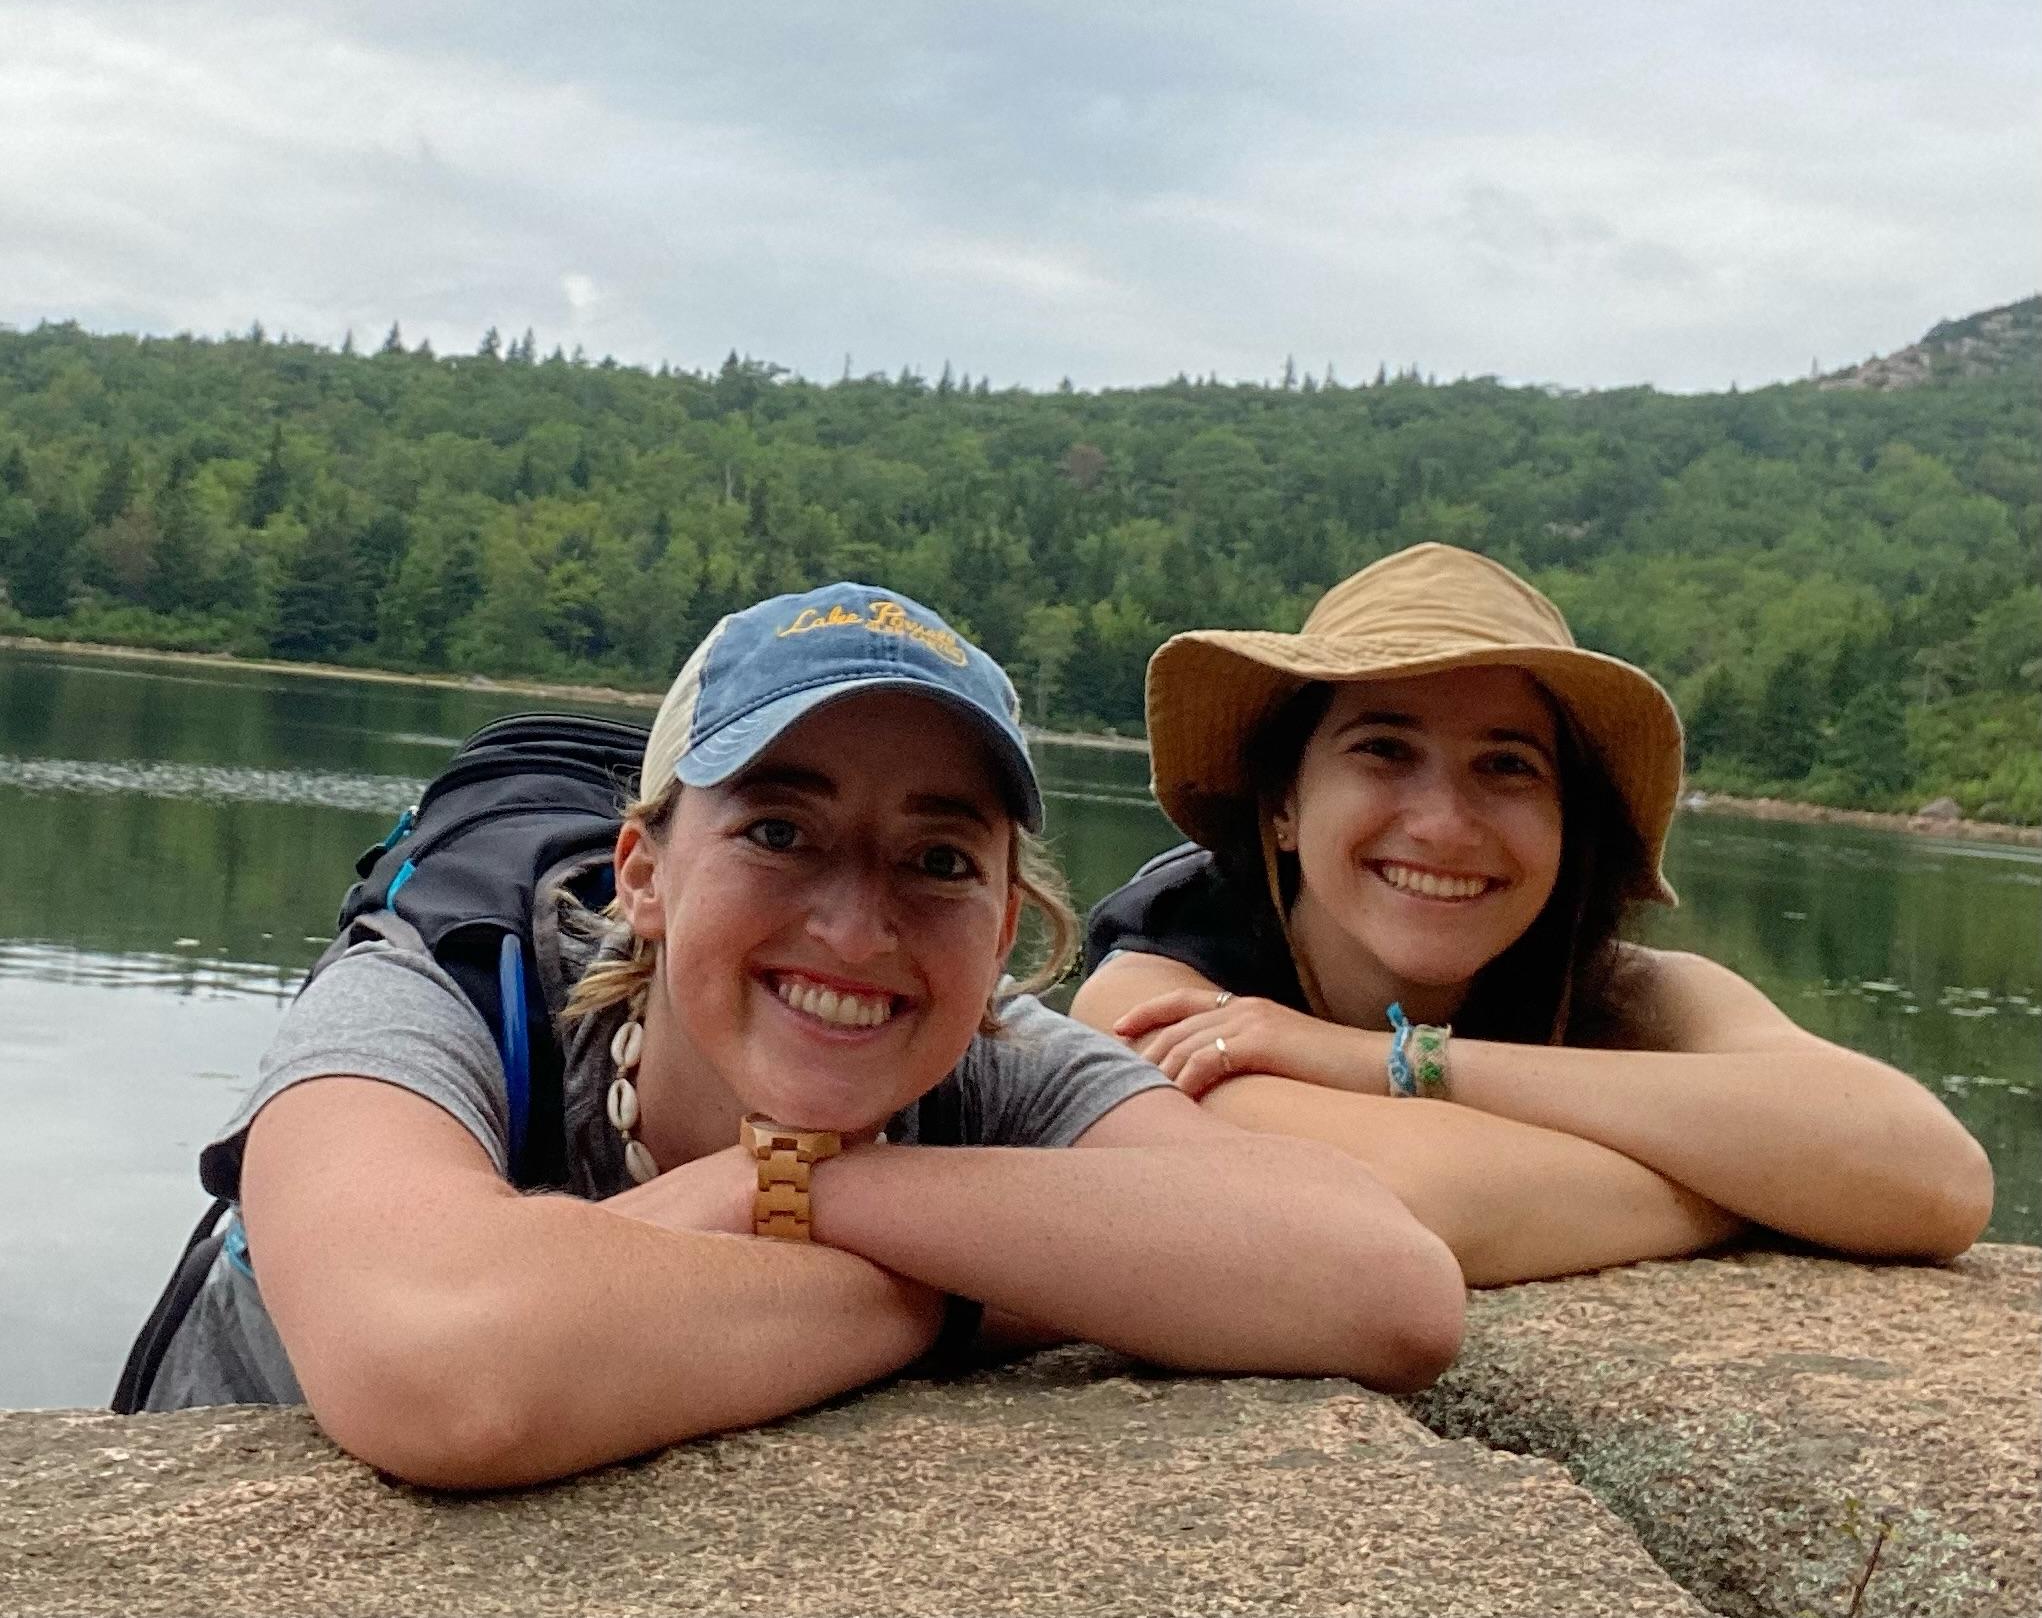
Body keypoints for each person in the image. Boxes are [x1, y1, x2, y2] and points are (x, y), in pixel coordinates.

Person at [139, 582, 1463, 1487]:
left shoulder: (998, 1055)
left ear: (1005, 924)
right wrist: (991, 1280)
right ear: (643, 872)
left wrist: (817, 1186)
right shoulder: (441, 988)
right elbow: (442, 1359)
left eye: (938, 857)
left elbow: (1384, 1282)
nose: (854, 924)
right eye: (778, 829)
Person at [1071, 544, 1994, 1287]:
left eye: (1508, 765)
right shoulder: (1159, 990)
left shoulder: (1629, 989)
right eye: (1384, 749)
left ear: (1567, 823)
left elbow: (1931, 1175)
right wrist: (1762, 1183)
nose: (1442, 824)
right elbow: (1420, 1201)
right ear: (1282, 805)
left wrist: (1387, 1061)